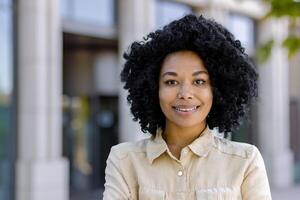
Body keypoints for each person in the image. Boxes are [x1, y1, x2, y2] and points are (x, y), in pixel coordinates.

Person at [103, 14, 271, 200]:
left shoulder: (245, 161)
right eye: (171, 81)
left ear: (217, 89)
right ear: (153, 88)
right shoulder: (124, 160)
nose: (185, 93)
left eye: (199, 81)